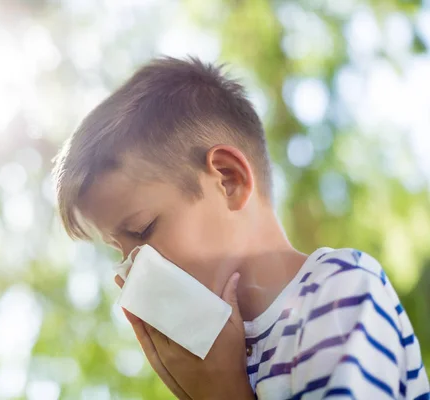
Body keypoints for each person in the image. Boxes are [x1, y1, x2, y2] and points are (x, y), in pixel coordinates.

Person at [52, 57, 430, 399]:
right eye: (118, 251)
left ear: (228, 180)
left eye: (142, 229)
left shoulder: (340, 290)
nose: (132, 273)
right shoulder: (209, 361)